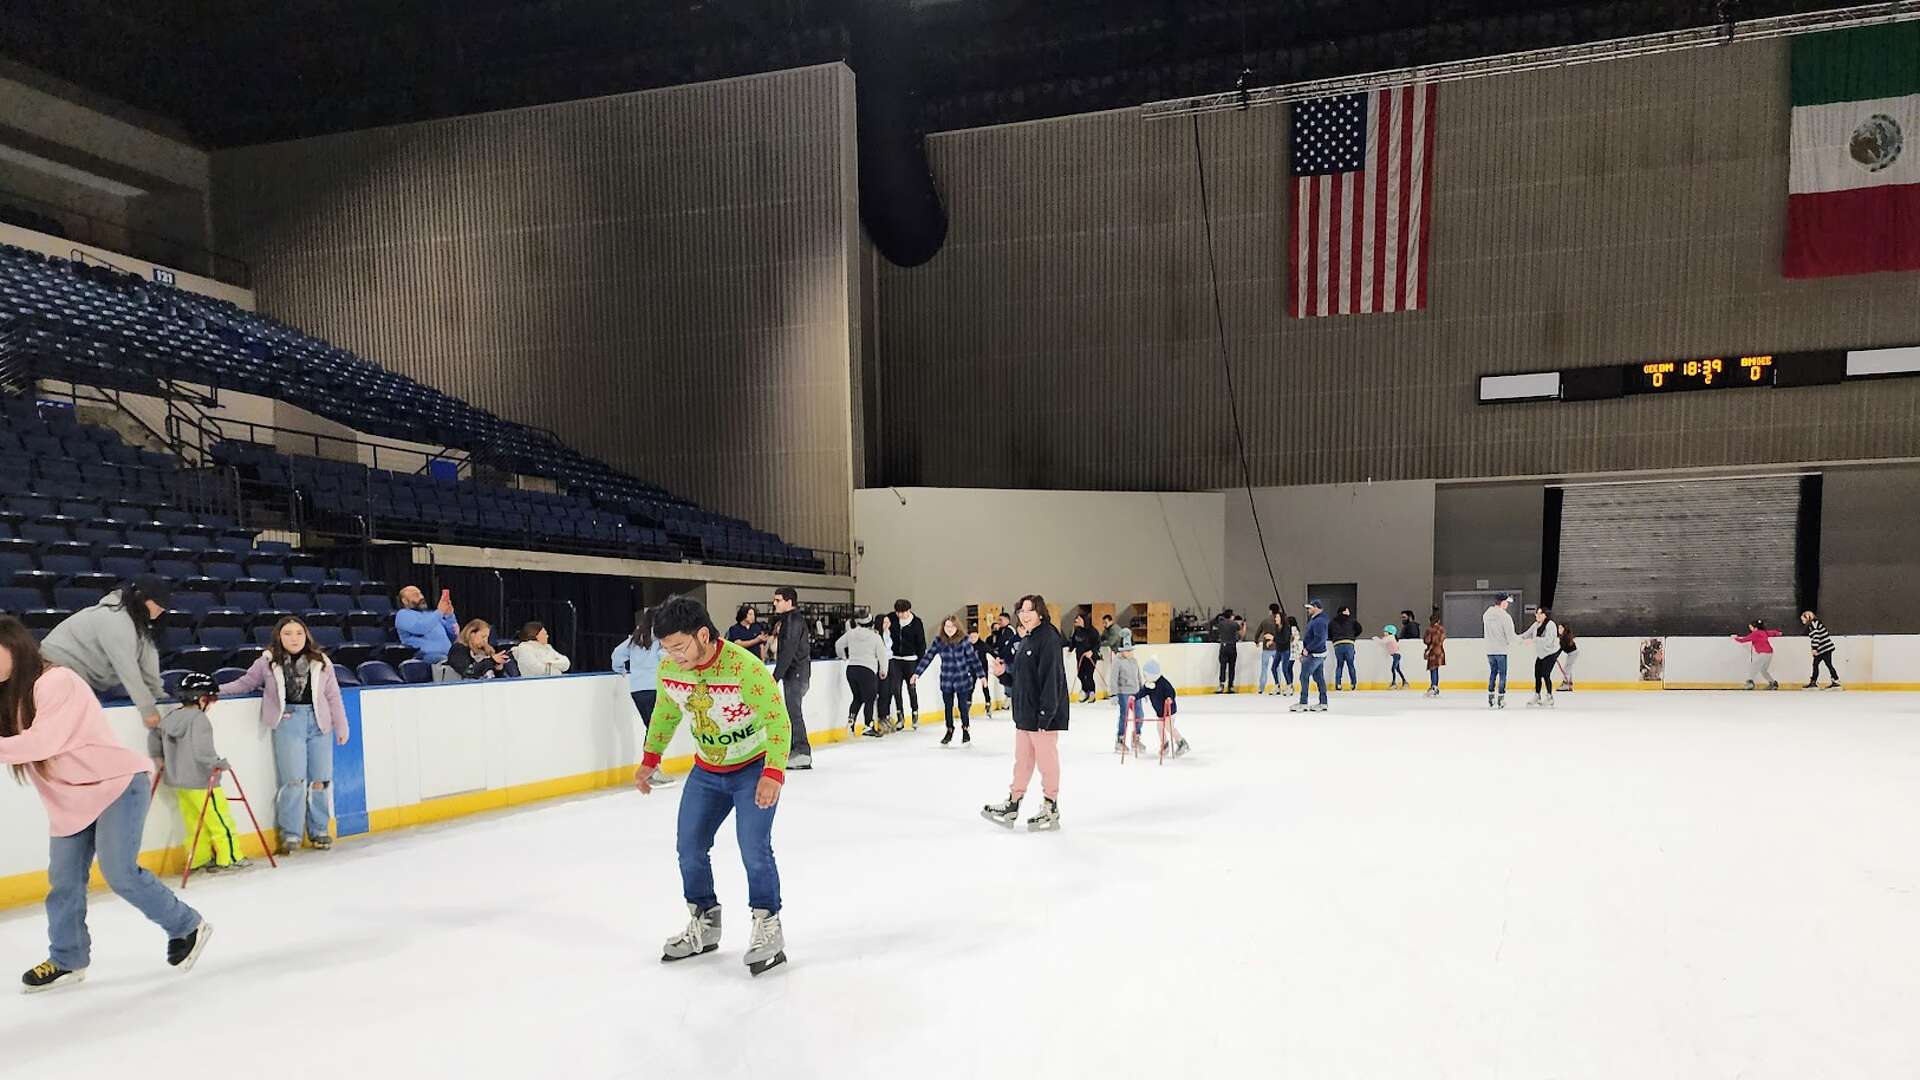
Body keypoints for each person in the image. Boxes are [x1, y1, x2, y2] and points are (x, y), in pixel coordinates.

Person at [0, 616, 212, 992]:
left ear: (14, 646)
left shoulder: (56, 681)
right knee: (63, 883)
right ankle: (67, 959)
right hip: (67, 800)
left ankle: (186, 925)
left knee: (120, 873)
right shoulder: (8, 697)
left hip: (115, 786)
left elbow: (43, 742)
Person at [632, 596, 790, 977]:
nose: (672, 656)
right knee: (689, 847)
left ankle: (768, 925)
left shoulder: (744, 668)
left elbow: (777, 720)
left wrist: (773, 773)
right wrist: (650, 758)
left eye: (679, 646)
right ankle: (705, 921)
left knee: (754, 848)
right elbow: (666, 713)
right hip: (707, 770)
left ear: (703, 634)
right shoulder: (671, 670)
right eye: (666, 649)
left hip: (752, 767)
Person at [218, 615, 351, 854]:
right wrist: (216, 690)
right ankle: (290, 833)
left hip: (319, 723)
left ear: (306, 635)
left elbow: (333, 696)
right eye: (288, 633)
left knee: (320, 779)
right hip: (288, 721)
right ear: (279, 636)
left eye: (299, 633)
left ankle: (319, 829)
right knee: (293, 780)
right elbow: (246, 683)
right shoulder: (268, 662)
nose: (294, 638)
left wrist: (342, 726)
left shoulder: (321, 661)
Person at [980, 595, 1068, 832]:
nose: (1024, 614)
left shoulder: (1048, 638)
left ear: (1040, 613)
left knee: (1046, 762)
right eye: (1021, 610)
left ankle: (1051, 806)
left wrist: (1045, 715)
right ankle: (1013, 803)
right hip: (1025, 715)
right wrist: (1002, 675)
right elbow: (1022, 679)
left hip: (1042, 717)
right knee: (1023, 761)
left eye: (1029, 610)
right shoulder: (1027, 639)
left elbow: (1052, 679)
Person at [39, 575, 170, 730]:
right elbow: (127, 668)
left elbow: (149, 661)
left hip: (80, 676)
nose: (161, 610)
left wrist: (159, 696)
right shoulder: (114, 620)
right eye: (158, 605)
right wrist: (148, 709)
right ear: (142, 598)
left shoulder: (139, 625)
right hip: (54, 667)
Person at [149, 672, 245, 873]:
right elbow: (202, 752)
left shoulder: (171, 716)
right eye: (212, 700)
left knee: (193, 822)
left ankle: (199, 859)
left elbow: (154, 738)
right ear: (202, 699)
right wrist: (220, 763)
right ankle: (230, 857)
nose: (212, 704)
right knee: (219, 820)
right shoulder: (199, 719)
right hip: (202, 781)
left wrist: (160, 760)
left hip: (179, 782)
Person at [611, 610, 675, 786]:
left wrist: (620, 669)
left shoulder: (635, 639)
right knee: (654, 730)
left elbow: (617, 654)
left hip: (637, 690)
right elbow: (666, 659)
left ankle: (651, 768)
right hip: (654, 688)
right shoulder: (660, 639)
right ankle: (651, 770)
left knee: (651, 728)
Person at [912, 615, 988, 746]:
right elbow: (928, 657)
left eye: (952, 626)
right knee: (948, 706)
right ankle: (949, 730)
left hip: (962, 678)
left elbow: (973, 660)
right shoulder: (939, 641)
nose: (949, 629)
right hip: (947, 679)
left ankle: (965, 729)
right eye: (947, 626)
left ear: (957, 627)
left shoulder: (964, 640)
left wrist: (982, 676)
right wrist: (917, 673)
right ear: (943, 627)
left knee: (963, 706)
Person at [770, 587, 813, 770]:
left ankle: (802, 752)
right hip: (795, 673)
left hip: (796, 673)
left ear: (788, 602)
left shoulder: (793, 620)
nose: (774, 603)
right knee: (791, 712)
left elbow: (789, 650)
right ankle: (796, 750)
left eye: (778, 600)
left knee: (793, 713)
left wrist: (776, 676)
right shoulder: (789, 620)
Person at [835, 614, 887, 737]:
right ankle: (868, 726)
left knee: (857, 697)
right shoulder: (875, 637)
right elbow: (882, 655)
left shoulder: (851, 634)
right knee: (869, 699)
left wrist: (843, 656)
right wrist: (883, 670)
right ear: (871, 623)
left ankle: (850, 723)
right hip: (867, 670)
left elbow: (838, 644)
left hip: (852, 669)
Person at [1133, 658, 1189, 758]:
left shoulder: (1164, 683)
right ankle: (1165, 744)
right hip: (1160, 713)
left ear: (1151, 675)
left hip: (1169, 711)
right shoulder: (1149, 685)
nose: (1144, 677)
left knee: (1168, 727)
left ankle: (1181, 743)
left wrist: (1169, 699)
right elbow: (1143, 692)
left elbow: (1171, 692)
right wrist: (1135, 697)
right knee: (1159, 728)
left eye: (1145, 675)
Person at [882, 600, 926, 730]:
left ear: (908, 611)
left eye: (902, 613)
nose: (900, 615)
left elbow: (921, 644)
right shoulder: (891, 618)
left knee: (911, 688)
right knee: (896, 689)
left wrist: (919, 664)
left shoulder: (917, 622)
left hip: (911, 660)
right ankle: (900, 717)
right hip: (895, 659)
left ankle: (915, 714)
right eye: (898, 613)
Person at [394, 585, 458, 664]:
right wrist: (440, 611)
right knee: (452, 663)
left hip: (449, 656)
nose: (421, 597)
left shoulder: (431, 615)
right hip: (424, 657)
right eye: (416, 595)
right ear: (405, 601)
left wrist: (450, 615)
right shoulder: (403, 614)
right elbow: (421, 628)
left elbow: (454, 635)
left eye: (421, 593)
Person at [1291, 599, 1330, 713]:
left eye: (1310, 608)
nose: (1308, 610)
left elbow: (1320, 638)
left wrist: (1308, 649)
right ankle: (1323, 702)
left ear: (1316, 607)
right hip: (1318, 653)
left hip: (1314, 654)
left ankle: (1303, 702)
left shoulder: (1319, 622)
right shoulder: (1318, 620)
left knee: (1304, 676)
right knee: (1318, 678)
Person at [446, 619, 512, 680]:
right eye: (483, 637)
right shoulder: (458, 650)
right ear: (472, 634)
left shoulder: (487, 651)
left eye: (487, 637)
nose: (485, 641)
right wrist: (492, 661)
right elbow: (468, 671)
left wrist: (498, 669)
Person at [1520, 607, 1561, 707]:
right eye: (1536, 613)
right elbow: (1526, 634)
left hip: (1550, 653)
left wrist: (1534, 640)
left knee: (1546, 674)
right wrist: (1515, 638)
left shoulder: (1551, 625)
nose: (1537, 615)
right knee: (1537, 674)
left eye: (1540, 613)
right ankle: (1537, 695)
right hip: (1541, 654)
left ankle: (1549, 697)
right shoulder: (1536, 624)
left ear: (1545, 615)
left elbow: (1548, 641)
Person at [1110, 644, 1145, 756]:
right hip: (1123, 692)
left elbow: (1138, 676)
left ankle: (1136, 738)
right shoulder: (1117, 661)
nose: (1130, 652)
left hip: (1136, 692)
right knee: (1124, 716)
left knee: (1139, 715)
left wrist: (1143, 691)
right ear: (1122, 651)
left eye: (1131, 650)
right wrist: (1114, 694)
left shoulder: (1134, 661)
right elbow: (1113, 678)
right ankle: (1120, 740)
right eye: (1128, 651)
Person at [1483, 594, 1516, 709]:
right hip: (1501, 650)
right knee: (1502, 674)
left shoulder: (1486, 614)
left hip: (1490, 649)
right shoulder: (1505, 617)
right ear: (1502, 602)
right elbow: (1510, 635)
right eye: (1507, 602)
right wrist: (1521, 640)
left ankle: (1491, 696)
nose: (1507, 604)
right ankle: (1501, 698)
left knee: (1493, 672)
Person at [1733, 619, 1782, 690]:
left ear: (1755, 628)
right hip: (1769, 653)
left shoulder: (1755, 633)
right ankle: (1773, 683)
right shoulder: (1763, 632)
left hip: (1763, 653)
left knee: (1753, 667)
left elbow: (1743, 640)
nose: (1750, 629)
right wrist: (1779, 633)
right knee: (1763, 670)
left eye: (1751, 627)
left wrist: (1735, 638)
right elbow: (1772, 632)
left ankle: (1750, 683)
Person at [1802, 611, 1840, 689]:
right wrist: (1814, 648)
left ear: (1808, 617)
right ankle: (1815, 681)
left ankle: (1835, 681)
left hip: (1824, 648)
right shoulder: (1814, 623)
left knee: (1826, 664)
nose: (1803, 622)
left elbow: (1816, 636)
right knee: (1818, 664)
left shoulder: (1813, 624)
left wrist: (1814, 649)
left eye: (1803, 620)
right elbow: (1815, 637)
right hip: (1823, 648)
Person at [989, 611, 1019, 713]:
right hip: (1007, 659)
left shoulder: (1009, 631)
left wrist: (1002, 655)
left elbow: (1006, 645)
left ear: (1007, 620)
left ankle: (1010, 698)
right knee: (1007, 678)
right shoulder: (1002, 630)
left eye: (1001, 620)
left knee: (1012, 678)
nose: (999, 622)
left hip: (1012, 659)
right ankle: (1009, 698)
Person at [1068, 612, 1100, 704]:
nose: (1076, 620)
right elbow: (1074, 641)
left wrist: (1092, 651)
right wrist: (1070, 649)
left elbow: (1097, 643)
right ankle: (1085, 691)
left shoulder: (1092, 631)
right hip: (1080, 656)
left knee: (1088, 675)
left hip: (1090, 657)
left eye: (1078, 619)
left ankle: (1092, 693)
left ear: (1083, 620)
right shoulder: (1077, 630)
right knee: (1080, 674)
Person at [1328, 605, 1362, 691]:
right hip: (1349, 643)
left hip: (1337, 643)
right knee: (1351, 665)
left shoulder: (1332, 621)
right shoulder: (1351, 620)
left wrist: (1334, 639)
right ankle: (1353, 684)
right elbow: (1359, 629)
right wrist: (1353, 636)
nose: (1349, 612)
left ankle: (1338, 684)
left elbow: (1329, 633)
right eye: (1347, 610)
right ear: (1344, 611)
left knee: (1339, 665)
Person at [1255, 603, 1283, 695]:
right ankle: (1278, 685)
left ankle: (1261, 688)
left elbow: (1258, 632)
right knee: (1277, 668)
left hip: (1266, 648)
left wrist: (1256, 641)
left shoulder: (1265, 621)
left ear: (1270, 610)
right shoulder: (1280, 620)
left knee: (1264, 668)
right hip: (1277, 647)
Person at [1213, 609, 1243, 693]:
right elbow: (1241, 634)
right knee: (1231, 667)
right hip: (1232, 646)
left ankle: (1221, 685)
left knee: (1223, 667)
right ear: (1231, 616)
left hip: (1223, 646)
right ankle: (1230, 686)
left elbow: (1215, 626)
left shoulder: (1221, 623)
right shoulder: (1234, 624)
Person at [1422, 612, 1446, 697]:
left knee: (1433, 669)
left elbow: (1427, 640)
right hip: (1440, 651)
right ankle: (1435, 686)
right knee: (1436, 669)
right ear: (1438, 621)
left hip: (1432, 651)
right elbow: (1442, 639)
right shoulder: (1442, 629)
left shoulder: (1430, 629)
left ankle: (1434, 686)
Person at [1281, 614, 1301, 694]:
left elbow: (1291, 640)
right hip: (1294, 652)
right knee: (1289, 669)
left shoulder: (1291, 629)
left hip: (1290, 651)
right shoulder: (1296, 630)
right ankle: (1290, 684)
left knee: (1286, 669)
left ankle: (1289, 685)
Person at [1555, 623, 1579, 691]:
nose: (1559, 630)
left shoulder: (1564, 637)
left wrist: (1555, 655)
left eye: (1561, 628)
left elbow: (1562, 648)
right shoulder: (1563, 636)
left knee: (1566, 669)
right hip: (1572, 653)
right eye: (1558, 628)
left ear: (1564, 629)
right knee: (1568, 668)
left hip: (1573, 653)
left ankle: (1566, 684)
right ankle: (1569, 684)